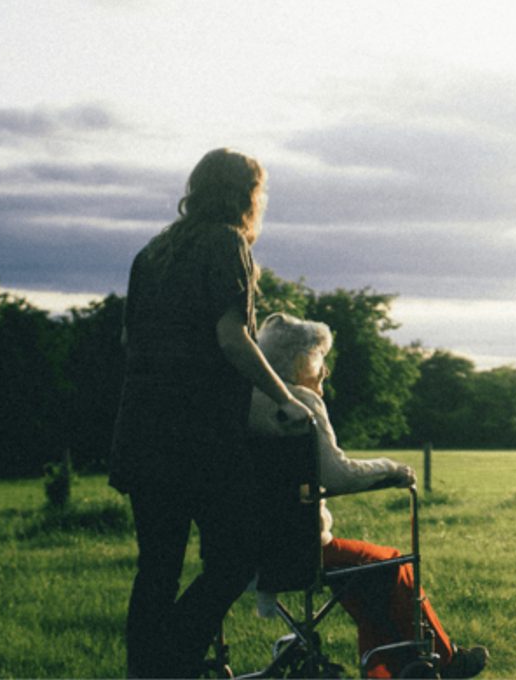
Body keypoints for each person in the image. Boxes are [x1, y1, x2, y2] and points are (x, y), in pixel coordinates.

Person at [108, 148, 317, 678]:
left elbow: (131, 339)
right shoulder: (226, 244)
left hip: (140, 429)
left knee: (156, 567)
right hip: (197, 436)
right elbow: (233, 337)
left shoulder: (152, 253)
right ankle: (172, 661)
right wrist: (285, 399)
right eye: (259, 192)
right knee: (238, 555)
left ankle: (147, 672)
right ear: (246, 195)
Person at [248, 313, 489, 679]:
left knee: (368, 578)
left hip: (252, 548)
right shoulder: (300, 406)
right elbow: (338, 474)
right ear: (299, 361)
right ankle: (443, 661)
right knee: (392, 564)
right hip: (302, 548)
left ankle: (389, 669)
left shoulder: (248, 403)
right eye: (319, 359)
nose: (324, 370)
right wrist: (392, 469)